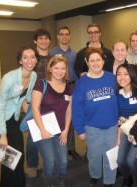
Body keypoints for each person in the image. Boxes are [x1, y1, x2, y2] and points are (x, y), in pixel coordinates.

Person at [0, 45, 38, 187]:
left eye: (32, 57)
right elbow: (1, 107)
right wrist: (2, 135)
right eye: (25, 57)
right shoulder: (9, 78)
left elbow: (26, 99)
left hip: (12, 116)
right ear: (20, 61)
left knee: (18, 155)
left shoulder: (33, 76)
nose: (30, 60)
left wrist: (32, 118)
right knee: (8, 157)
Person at [72, 47, 118, 187]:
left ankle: (110, 180)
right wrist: (79, 130)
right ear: (87, 61)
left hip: (112, 126)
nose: (96, 63)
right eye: (92, 60)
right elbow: (77, 108)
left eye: (98, 59)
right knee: (94, 155)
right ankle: (95, 175)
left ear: (103, 61)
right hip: (91, 127)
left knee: (111, 155)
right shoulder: (81, 83)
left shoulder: (112, 78)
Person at [31, 56, 72, 187]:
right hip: (43, 130)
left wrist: (66, 130)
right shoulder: (41, 84)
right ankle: (49, 182)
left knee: (63, 162)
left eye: (63, 68)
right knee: (50, 162)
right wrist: (42, 130)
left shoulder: (68, 87)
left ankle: (60, 180)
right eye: (56, 68)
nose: (60, 72)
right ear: (50, 69)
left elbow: (68, 111)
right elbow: (35, 108)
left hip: (60, 130)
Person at [50, 26, 81, 160]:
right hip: (56, 87)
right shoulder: (52, 53)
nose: (64, 37)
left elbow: (77, 71)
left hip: (71, 86)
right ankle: (57, 147)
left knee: (70, 117)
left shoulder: (74, 54)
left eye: (67, 34)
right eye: (61, 34)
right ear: (58, 36)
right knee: (57, 116)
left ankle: (71, 149)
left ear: (70, 36)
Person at [116, 64, 137, 187]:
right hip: (125, 130)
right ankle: (127, 177)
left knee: (131, 161)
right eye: (119, 74)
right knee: (120, 160)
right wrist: (118, 138)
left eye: (126, 74)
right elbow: (120, 118)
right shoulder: (117, 95)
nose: (122, 77)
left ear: (132, 76)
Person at [26, 28, 52, 178]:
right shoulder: (31, 58)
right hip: (33, 103)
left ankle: (50, 162)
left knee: (50, 132)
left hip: (50, 103)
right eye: (40, 38)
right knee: (31, 137)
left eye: (46, 38)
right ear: (35, 41)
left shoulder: (53, 58)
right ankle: (32, 165)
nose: (43, 41)